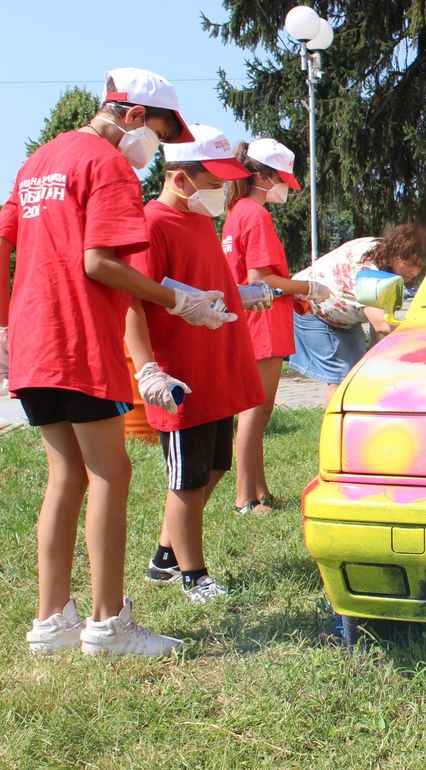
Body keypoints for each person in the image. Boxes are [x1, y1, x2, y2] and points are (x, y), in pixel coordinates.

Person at [0, 68, 234, 656]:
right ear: (132, 116)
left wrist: (5, 320)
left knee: (66, 475)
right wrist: (175, 299)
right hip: (79, 339)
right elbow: (99, 263)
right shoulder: (107, 165)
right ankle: (109, 625)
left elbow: (4, 236)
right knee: (110, 472)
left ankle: (51, 620)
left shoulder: (38, 161)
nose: (155, 149)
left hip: (32, 339)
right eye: (159, 133)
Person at [126, 124, 267, 602]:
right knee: (186, 481)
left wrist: (242, 294)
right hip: (181, 377)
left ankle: (166, 554)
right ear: (181, 178)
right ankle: (193, 574)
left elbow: (207, 282)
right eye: (212, 183)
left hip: (215, 371)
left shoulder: (199, 221)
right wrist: (148, 369)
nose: (220, 193)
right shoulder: (152, 224)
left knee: (215, 467)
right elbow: (133, 304)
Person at [221, 138, 330, 516]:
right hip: (262, 324)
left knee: (259, 412)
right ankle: (245, 499)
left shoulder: (237, 212)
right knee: (255, 412)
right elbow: (260, 279)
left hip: (255, 321)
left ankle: (260, 491)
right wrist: (308, 287)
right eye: (281, 179)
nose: (284, 187)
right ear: (262, 176)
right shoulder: (255, 215)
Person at [289, 224, 426, 398]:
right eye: (410, 264)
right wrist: (422, 338)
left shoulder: (385, 256)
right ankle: (337, 415)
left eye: (420, 266)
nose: (415, 272)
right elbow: (381, 324)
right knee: (342, 381)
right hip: (314, 309)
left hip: (344, 317)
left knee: (360, 375)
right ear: (395, 254)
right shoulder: (367, 270)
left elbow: (381, 326)